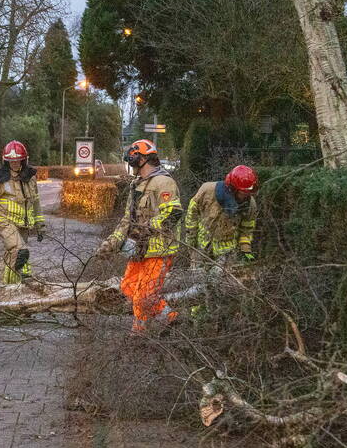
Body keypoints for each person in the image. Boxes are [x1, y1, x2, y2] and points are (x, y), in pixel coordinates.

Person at [97, 139, 182, 333]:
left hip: (159, 249)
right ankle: (156, 321)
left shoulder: (164, 182)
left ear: (144, 158)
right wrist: (111, 243)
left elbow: (173, 213)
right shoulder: (137, 184)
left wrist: (146, 228)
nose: (132, 164)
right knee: (128, 286)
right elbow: (128, 220)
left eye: (134, 159)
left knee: (145, 295)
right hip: (140, 250)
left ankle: (150, 327)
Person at [0, 141, 46, 283]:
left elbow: (36, 202)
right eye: (11, 161)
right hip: (4, 222)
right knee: (20, 251)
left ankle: (8, 288)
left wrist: (40, 224)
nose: (14, 164)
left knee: (13, 257)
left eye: (17, 160)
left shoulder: (30, 178)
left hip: (23, 224)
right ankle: (26, 280)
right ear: (6, 161)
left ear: (23, 160)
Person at [184, 164, 258, 267]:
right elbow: (191, 215)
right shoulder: (207, 191)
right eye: (243, 192)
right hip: (201, 247)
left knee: (220, 282)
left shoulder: (250, 204)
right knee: (198, 281)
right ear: (233, 188)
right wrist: (191, 242)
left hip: (227, 253)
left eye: (249, 192)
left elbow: (247, 229)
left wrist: (245, 249)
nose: (246, 195)